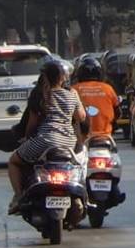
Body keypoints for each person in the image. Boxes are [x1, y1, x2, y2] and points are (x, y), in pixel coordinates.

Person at [7, 60, 86, 214]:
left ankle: (18, 196)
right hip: (69, 142)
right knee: (79, 166)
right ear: (62, 77)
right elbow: (81, 117)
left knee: (13, 162)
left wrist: (27, 138)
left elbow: (31, 125)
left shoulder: (41, 95)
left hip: (45, 141)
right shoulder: (71, 94)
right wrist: (76, 101)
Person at [72, 59, 120, 139]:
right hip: (105, 136)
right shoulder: (108, 88)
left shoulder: (74, 89)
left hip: (81, 138)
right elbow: (117, 112)